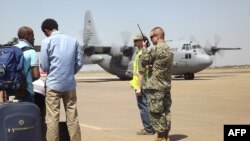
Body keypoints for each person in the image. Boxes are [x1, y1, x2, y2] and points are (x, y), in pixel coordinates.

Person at [40, 18, 83, 141]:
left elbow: (44, 65)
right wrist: (70, 72)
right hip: (69, 84)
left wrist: (54, 71)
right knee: (72, 117)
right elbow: (79, 62)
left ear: (46, 30)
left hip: (53, 85)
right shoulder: (73, 40)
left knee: (52, 118)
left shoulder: (46, 42)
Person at [140, 27, 173, 141]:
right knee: (166, 111)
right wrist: (151, 66)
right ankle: (166, 135)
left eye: (151, 37)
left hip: (155, 86)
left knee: (155, 112)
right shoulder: (169, 49)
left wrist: (144, 48)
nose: (150, 39)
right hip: (165, 85)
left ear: (157, 36)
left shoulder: (156, 49)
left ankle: (160, 137)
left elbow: (144, 61)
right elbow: (158, 65)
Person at [130, 34, 155, 135]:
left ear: (143, 41)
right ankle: (151, 127)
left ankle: (148, 129)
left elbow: (141, 72)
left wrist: (139, 87)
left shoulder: (142, 54)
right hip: (142, 84)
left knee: (143, 106)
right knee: (146, 106)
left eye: (136, 40)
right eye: (134, 41)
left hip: (141, 85)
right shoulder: (141, 53)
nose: (134, 42)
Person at [15, 26, 40, 102]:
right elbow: (36, 75)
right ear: (28, 36)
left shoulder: (12, 49)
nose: (34, 39)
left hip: (11, 91)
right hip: (27, 92)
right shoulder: (31, 51)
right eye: (33, 36)